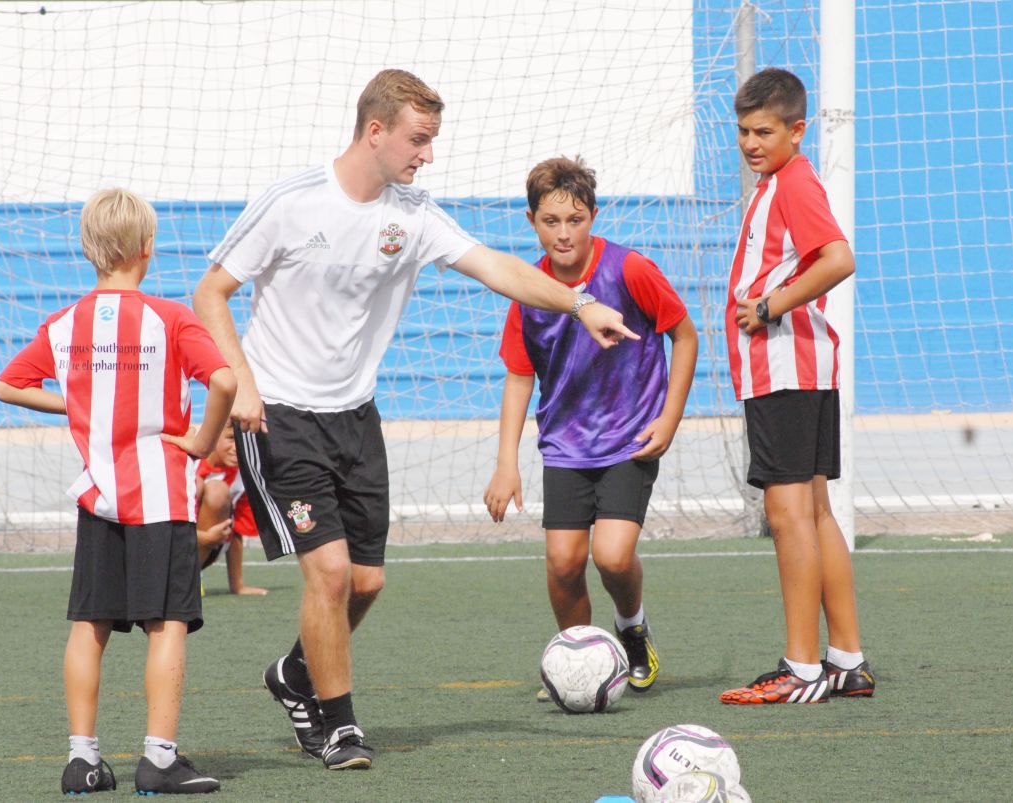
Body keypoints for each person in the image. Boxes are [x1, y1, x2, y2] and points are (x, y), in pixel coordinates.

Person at [192, 69, 638, 771]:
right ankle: (340, 728)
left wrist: (580, 304)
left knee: (366, 582)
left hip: (356, 418)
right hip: (280, 416)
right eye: (418, 139)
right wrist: (242, 382)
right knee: (330, 574)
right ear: (375, 131)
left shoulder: (414, 213)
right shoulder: (291, 202)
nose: (428, 154)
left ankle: (296, 673)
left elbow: (496, 267)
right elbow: (210, 292)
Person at [0, 188, 234, 793]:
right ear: (147, 247)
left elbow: (7, 385)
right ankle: (159, 758)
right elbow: (225, 381)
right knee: (167, 624)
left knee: (89, 625)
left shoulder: (65, 323)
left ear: (87, 248)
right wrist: (203, 442)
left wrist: (81, 405)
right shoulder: (169, 317)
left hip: (98, 498)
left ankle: (82, 761)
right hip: (160, 496)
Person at [483, 157, 698, 699]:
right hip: (565, 446)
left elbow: (686, 336)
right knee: (563, 562)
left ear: (593, 217)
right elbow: (519, 377)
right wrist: (506, 463)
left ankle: (632, 630)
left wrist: (669, 417)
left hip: (631, 438)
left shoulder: (630, 269)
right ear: (532, 221)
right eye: (551, 221)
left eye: (575, 220)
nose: (564, 232)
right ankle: (575, 663)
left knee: (612, 556)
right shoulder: (529, 290)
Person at [717, 67, 874, 705]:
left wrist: (771, 304)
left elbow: (839, 258)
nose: (751, 143)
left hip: (785, 369)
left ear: (797, 130)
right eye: (743, 131)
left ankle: (802, 668)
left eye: (764, 131)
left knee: (788, 518)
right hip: (802, 369)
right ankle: (846, 661)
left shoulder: (794, 182)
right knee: (815, 511)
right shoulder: (778, 182)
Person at [195, 426, 269, 596]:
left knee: (218, 491)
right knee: (203, 486)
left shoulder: (243, 477)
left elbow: (236, 531)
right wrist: (206, 538)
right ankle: (178, 576)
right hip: (172, 543)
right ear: (213, 435)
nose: (237, 447)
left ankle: (190, 575)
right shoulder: (189, 464)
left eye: (242, 441)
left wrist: (238, 586)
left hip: (207, 549)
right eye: (230, 438)